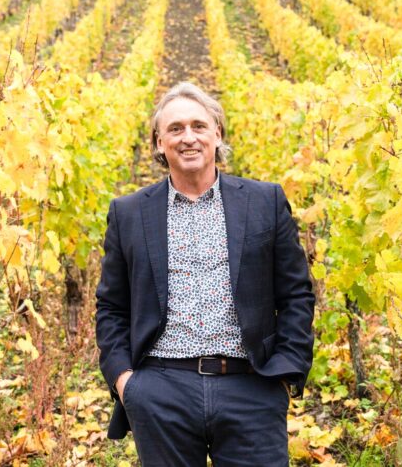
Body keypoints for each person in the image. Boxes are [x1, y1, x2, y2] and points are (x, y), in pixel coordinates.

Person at [95, 82, 316, 466]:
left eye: (199, 126)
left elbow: (296, 294)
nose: (188, 137)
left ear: (218, 134)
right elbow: (111, 306)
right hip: (161, 390)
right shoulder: (128, 213)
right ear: (159, 143)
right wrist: (126, 383)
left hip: (251, 386)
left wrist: (285, 373)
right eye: (175, 129)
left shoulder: (265, 201)